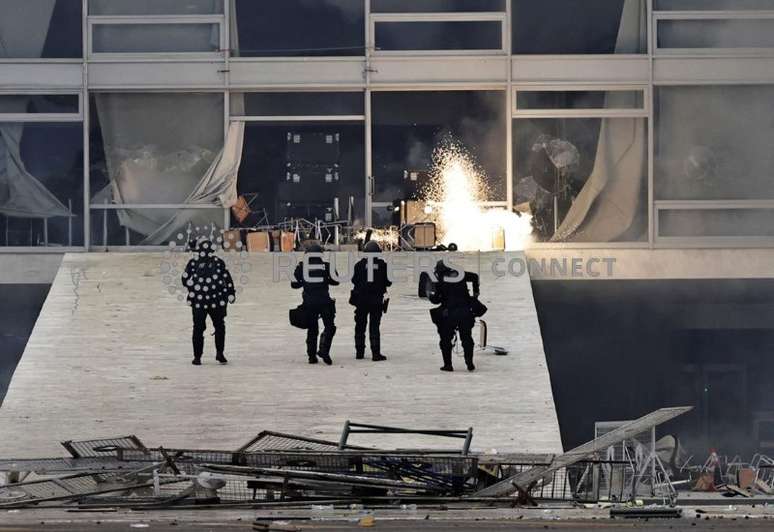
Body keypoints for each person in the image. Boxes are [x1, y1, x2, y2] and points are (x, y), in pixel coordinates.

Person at [182, 239, 235, 366]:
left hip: (200, 301)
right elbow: (227, 279)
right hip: (215, 300)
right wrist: (231, 293)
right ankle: (219, 353)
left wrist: (193, 287)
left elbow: (184, 280)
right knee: (219, 326)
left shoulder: (193, 263)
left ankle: (198, 357)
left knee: (199, 328)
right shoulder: (218, 263)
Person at [429, 260, 480, 372]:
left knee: (445, 339)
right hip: (465, 311)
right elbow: (475, 276)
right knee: (466, 337)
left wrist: (430, 296)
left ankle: (448, 365)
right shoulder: (460, 274)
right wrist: (476, 292)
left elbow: (436, 299)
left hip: (449, 314)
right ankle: (469, 362)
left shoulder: (439, 280)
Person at [291, 243, 338, 365]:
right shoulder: (326, 266)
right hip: (324, 301)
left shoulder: (302, 267)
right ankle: (324, 350)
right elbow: (336, 281)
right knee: (329, 327)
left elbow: (294, 284)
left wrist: (305, 282)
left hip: (309, 302)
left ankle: (311, 356)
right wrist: (325, 280)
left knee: (312, 329)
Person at [350, 240, 391, 361]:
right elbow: (389, 282)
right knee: (374, 326)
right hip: (376, 301)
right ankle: (375, 353)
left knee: (360, 326)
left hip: (361, 300)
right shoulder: (383, 265)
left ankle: (359, 352)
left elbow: (354, 281)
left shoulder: (359, 265)